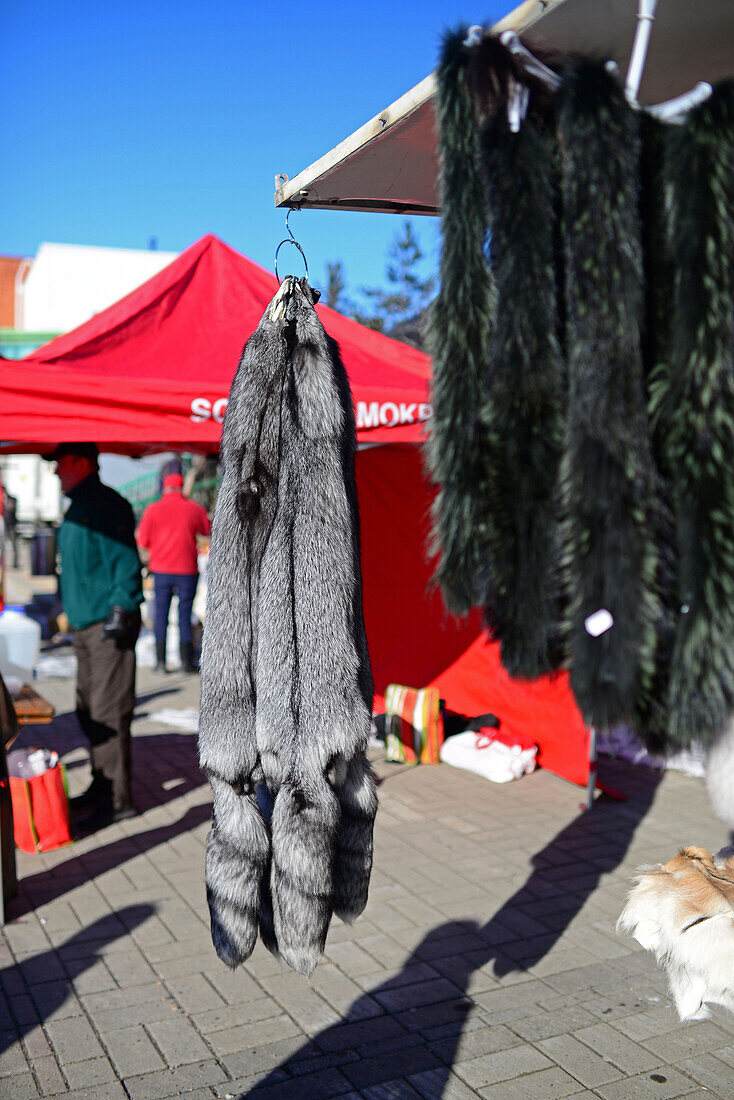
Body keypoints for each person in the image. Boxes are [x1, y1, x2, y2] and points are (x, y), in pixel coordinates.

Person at [44, 443, 143, 828]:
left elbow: (126, 562)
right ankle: (103, 786)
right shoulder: (82, 503)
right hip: (87, 626)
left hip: (106, 626)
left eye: (62, 464)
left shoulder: (105, 503)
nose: (56, 472)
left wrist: (122, 606)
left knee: (108, 713)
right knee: (89, 710)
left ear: (82, 463)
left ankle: (118, 801)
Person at [136, 473, 211, 673]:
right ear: (181, 487)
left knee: (161, 614)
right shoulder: (194, 508)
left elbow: (142, 541)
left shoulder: (152, 510)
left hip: (161, 570)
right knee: (185, 614)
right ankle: (186, 662)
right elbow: (206, 529)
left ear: (164, 487)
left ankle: (160, 663)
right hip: (187, 569)